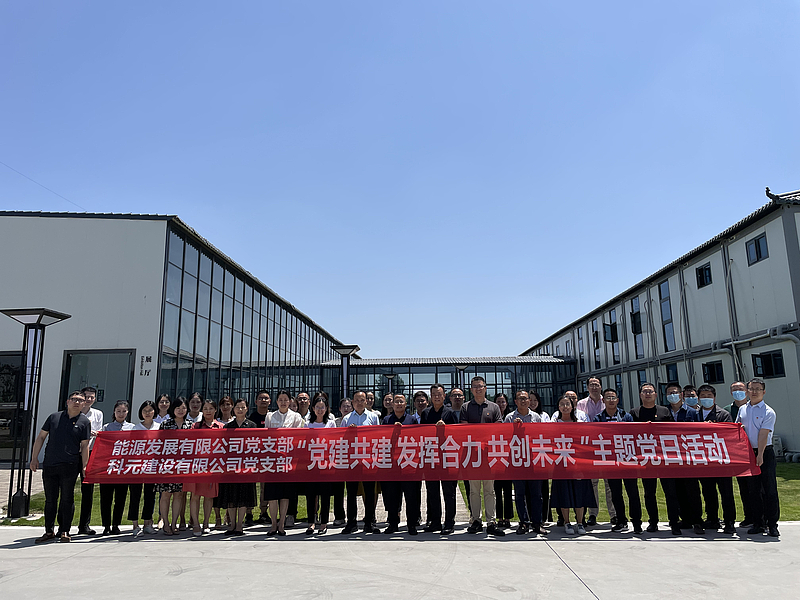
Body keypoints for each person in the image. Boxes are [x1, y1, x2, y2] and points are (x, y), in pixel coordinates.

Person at [31, 390, 91, 543]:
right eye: (74, 399)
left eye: (80, 400)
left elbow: (85, 446)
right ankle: (48, 531)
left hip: (70, 465)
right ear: (67, 401)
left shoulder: (84, 422)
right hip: (50, 464)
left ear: (84, 404)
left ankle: (65, 531)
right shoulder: (54, 417)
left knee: (67, 498)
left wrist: (85, 466)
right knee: (50, 499)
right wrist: (34, 458)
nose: (77, 402)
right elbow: (41, 437)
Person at [629, 382, 680, 534]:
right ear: (640, 395)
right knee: (649, 493)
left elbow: (673, 432)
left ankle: (674, 523)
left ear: (656, 395)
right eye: (645, 391)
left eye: (650, 391)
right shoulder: (634, 413)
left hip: (664, 458)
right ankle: (653, 522)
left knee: (670, 492)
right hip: (646, 459)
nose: (648, 394)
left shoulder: (664, 411)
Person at [461, 376, 505, 536]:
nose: (478, 389)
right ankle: (476, 520)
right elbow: (464, 429)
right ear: (471, 389)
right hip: (472, 455)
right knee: (474, 490)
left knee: (489, 490)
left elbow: (498, 427)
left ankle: (491, 522)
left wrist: (483, 435)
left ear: (485, 388)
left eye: (480, 386)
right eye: (475, 386)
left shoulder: (493, 407)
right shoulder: (466, 407)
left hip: (489, 455)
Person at [736, 378, 780, 537]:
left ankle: (772, 524)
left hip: (764, 452)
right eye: (751, 389)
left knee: (769, 489)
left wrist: (760, 455)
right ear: (747, 391)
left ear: (764, 392)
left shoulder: (768, 411)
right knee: (753, 490)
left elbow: (763, 434)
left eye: (758, 389)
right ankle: (758, 523)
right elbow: (738, 429)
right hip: (747, 453)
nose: (754, 392)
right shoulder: (743, 409)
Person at [594, 389, 641, 534]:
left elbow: (633, 435)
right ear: (603, 401)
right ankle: (621, 520)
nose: (611, 400)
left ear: (618, 400)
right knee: (615, 493)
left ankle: (637, 522)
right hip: (610, 461)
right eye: (608, 398)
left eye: (613, 397)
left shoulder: (626, 416)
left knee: (633, 492)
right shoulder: (598, 418)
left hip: (627, 460)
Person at [549, 394, 596, 535]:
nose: (565, 407)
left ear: (572, 406)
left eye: (567, 404)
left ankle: (580, 523)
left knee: (579, 492)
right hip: (561, 463)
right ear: (558, 407)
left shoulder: (580, 423)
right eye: (562, 404)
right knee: (564, 493)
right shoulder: (553, 424)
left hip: (578, 464)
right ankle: (567, 522)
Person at [664, 382, 705, 535]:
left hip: (689, 458)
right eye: (669, 393)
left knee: (692, 490)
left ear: (681, 395)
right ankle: (685, 519)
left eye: (675, 392)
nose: (672, 395)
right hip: (671, 458)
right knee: (677, 491)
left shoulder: (693, 413)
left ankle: (697, 521)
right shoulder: (664, 413)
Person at [505, 390, 547, 535]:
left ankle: (537, 523)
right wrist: (514, 429)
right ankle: (523, 522)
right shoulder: (509, 418)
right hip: (517, 461)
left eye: (525, 398)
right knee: (519, 494)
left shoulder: (536, 417)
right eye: (520, 399)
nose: (523, 401)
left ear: (529, 401)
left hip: (533, 460)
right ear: (515, 401)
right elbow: (504, 438)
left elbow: (541, 436)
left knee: (536, 494)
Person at [696, 384, 736, 534]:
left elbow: (729, 434)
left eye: (709, 396)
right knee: (708, 492)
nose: (706, 398)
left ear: (714, 397)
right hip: (703, 460)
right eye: (703, 396)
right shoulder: (694, 415)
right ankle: (712, 519)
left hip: (721, 460)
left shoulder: (723, 414)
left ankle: (729, 522)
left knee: (726, 492)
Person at [264, 390, 305, 535]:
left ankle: (282, 524)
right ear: (276, 401)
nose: (283, 402)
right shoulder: (270, 416)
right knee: (272, 495)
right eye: (280, 400)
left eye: (285, 400)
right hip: (272, 460)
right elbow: (266, 436)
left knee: (285, 494)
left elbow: (297, 437)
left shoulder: (296, 417)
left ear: (290, 401)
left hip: (288, 460)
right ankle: (273, 524)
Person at [420, 383, 459, 535]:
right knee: (432, 492)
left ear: (444, 396)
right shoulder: (425, 413)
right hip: (431, 457)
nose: (437, 397)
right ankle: (435, 521)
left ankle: (449, 522)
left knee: (449, 492)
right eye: (434, 394)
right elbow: (421, 434)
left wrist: (445, 429)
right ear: (431, 397)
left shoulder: (450, 413)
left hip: (447, 458)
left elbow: (457, 435)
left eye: (439, 394)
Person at [341, 390, 381, 534]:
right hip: (352, 461)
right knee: (351, 493)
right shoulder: (346, 419)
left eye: (362, 400)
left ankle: (369, 522)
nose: (359, 403)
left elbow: (378, 436)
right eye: (356, 400)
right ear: (352, 402)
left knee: (369, 492)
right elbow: (341, 440)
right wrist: (348, 432)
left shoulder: (373, 417)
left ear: (366, 402)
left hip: (367, 460)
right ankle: (351, 523)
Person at [576, 377, 614, 527]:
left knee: (609, 483)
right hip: (590, 447)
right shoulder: (581, 404)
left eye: (596, 384)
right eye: (591, 385)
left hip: (607, 446)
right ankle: (593, 514)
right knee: (592, 483)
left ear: (601, 386)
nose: (594, 387)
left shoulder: (608, 401)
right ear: (587, 388)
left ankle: (613, 514)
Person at [216, 398, 258, 536]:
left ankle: (240, 524)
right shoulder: (228, 427)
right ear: (233, 409)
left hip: (246, 466)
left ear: (247, 409)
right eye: (238, 407)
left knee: (243, 496)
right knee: (231, 496)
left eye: (243, 407)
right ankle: (232, 524)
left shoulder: (252, 426)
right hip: (231, 466)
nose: (240, 409)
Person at [382, 393, 421, 535]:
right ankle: (393, 523)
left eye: (401, 401)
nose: (399, 404)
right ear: (392, 404)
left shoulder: (412, 420)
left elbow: (417, 438)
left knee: (411, 496)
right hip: (392, 464)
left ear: (406, 404)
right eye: (396, 401)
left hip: (408, 464)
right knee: (392, 496)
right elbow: (382, 439)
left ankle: (412, 524)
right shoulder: (386, 420)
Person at [155, 397, 193, 536]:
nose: (181, 410)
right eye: (178, 408)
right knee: (165, 494)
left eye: (183, 408)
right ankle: (165, 523)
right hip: (167, 465)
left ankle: (174, 523)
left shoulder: (190, 425)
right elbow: (159, 444)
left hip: (183, 465)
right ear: (173, 409)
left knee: (179, 495)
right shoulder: (166, 424)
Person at [186, 399, 222, 536]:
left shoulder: (220, 427)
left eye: (210, 408)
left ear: (215, 410)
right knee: (195, 495)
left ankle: (206, 523)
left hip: (213, 466)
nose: (208, 411)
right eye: (205, 409)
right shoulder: (195, 426)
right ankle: (195, 523)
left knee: (209, 496)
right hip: (197, 466)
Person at [99, 400, 135, 535]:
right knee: (106, 498)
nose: (121, 414)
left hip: (123, 468)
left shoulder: (132, 427)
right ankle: (106, 526)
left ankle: (116, 525)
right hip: (108, 467)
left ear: (128, 412)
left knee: (120, 498)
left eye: (124, 411)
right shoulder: (106, 427)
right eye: (118, 411)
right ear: (114, 412)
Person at [725, 381, 755, 527]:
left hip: (753, 450)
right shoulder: (726, 410)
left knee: (757, 486)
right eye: (735, 389)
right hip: (737, 454)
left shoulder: (753, 407)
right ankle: (749, 516)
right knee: (743, 486)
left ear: (747, 391)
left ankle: (761, 517)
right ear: (731, 393)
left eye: (741, 389)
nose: (738, 392)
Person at [305, 392, 336, 535]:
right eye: (317, 407)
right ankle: (311, 522)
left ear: (326, 408)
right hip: (311, 464)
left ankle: (323, 523)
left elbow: (334, 442)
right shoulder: (307, 424)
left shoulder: (331, 423)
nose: (320, 410)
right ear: (313, 408)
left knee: (325, 495)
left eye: (322, 407)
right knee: (311, 495)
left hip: (326, 464)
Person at [130, 400, 159, 537]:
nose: (147, 413)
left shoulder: (159, 427)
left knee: (150, 495)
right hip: (137, 466)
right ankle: (135, 525)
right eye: (145, 411)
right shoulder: (136, 428)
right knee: (135, 495)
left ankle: (148, 523)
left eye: (150, 410)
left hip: (152, 466)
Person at [77, 386, 103, 536]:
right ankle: (63, 526)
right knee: (67, 490)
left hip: (91, 453)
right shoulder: (74, 412)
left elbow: (99, 432)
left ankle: (84, 525)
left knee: (88, 490)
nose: (89, 399)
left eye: (92, 397)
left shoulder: (97, 414)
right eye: (86, 396)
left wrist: (94, 433)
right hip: (74, 453)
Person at [246, 390, 271, 527]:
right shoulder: (251, 419)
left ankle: (264, 512)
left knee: (265, 486)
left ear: (270, 401)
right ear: (256, 402)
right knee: (250, 485)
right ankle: (248, 513)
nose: (263, 400)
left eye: (266, 398)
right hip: (252, 456)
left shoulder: (272, 418)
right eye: (261, 398)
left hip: (266, 456)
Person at [493, 393, 514, 529]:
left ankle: (507, 517)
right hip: (494, 456)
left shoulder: (510, 417)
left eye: (503, 402)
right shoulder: (491, 416)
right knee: (497, 489)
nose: (501, 404)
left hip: (508, 457)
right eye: (498, 402)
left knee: (507, 489)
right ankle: (499, 517)